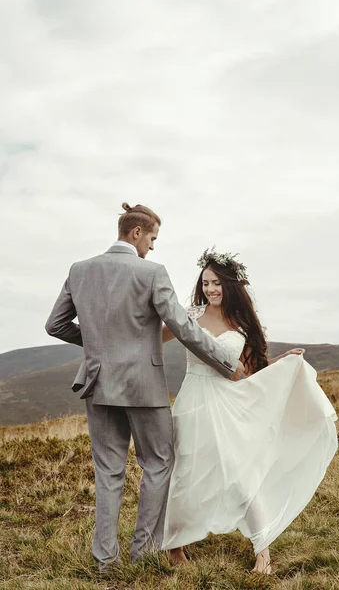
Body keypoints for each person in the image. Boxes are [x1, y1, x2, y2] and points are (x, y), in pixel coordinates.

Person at [45, 205, 245, 572]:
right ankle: (145, 552)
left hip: (96, 382)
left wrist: (100, 347)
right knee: (158, 462)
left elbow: (54, 325)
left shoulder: (79, 270)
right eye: (152, 238)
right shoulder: (152, 273)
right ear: (136, 233)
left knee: (108, 471)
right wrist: (227, 363)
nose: (153, 247)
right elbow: (184, 328)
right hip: (143, 386)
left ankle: (105, 562)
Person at [161, 247, 338, 575]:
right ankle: (175, 547)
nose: (210, 289)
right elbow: (154, 338)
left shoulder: (240, 322)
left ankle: (263, 552)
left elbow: (249, 372)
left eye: (216, 283)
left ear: (229, 285)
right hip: (193, 402)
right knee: (186, 472)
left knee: (242, 476)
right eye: (206, 283)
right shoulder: (190, 314)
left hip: (229, 402)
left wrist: (282, 363)